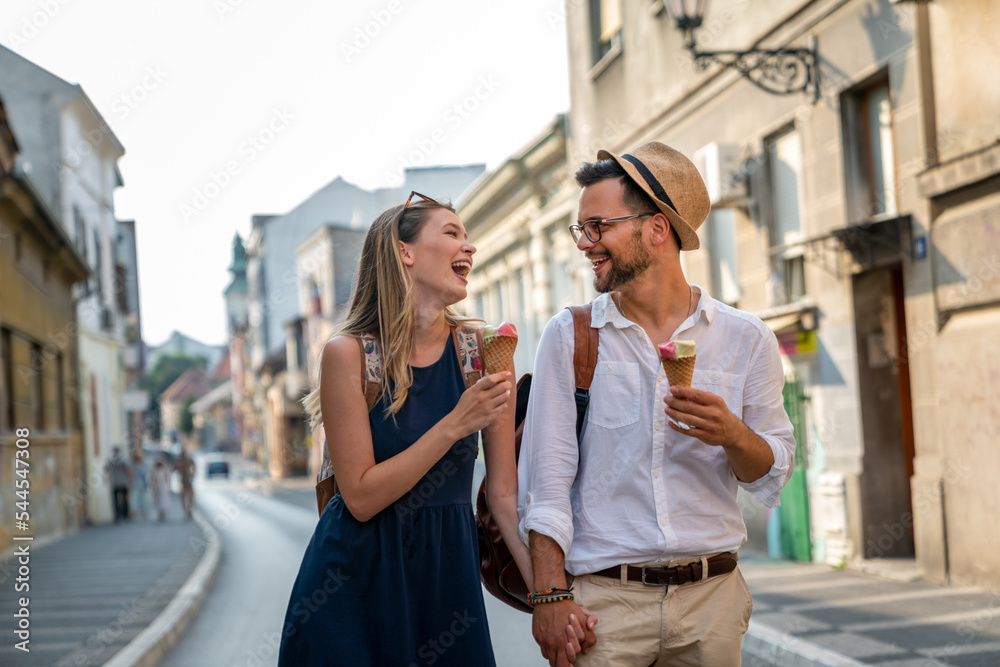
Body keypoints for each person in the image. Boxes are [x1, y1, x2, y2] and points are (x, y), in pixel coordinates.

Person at [518, 142, 796, 666]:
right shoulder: (571, 336)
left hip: (712, 599)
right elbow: (547, 483)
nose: (585, 243)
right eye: (581, 229)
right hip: (605, 606)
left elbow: (770, 476)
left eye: (598, 226)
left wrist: (733, 435)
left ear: (656, 228)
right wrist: (550, 596)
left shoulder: (746, 338)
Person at [277, 191, 531, 666]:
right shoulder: (348, 354)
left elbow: (501, 497)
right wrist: (455, 424)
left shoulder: (481, 352)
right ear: (404, 252)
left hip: (446, 585)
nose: (469, 247)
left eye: (469, 236)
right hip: (353, 591)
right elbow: (360, 495)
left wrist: (550, 599)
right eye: (452, 233)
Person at [104, 446, 132, 523]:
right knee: (124, 500)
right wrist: (130, 480)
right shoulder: (123, 460)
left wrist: (105, 479)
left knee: (116, 500)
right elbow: (128, 471)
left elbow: (106, 470)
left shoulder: (111, 460)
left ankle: (117, 515)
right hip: (123, 482)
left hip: (115, 483)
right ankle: (125, 515)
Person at [173, 449, 196, 519]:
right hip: (183, 482)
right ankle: (186, 510)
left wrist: (192, 474)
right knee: (183, 497)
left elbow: (194, 467)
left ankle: (189, 509)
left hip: (188, 481)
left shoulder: (189, 460)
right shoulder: (179, 462)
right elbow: (174, 469)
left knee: (190, 496)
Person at [149, 457, 171, 522]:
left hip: (162, 487)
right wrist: (153, 486)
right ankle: (160, 513)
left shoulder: (164, 470)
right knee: (158, 501)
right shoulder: (154, 470)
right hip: (157, 487)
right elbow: (152, 479)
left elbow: (167, 479)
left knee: (163, 501)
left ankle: (163, 513)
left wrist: (168, 487)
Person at [131, 449, 149, 519]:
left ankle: (134, 512)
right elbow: (144, 475)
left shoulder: (133, 466)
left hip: (135, 483)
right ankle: (143, 513)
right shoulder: (141, 466)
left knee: (135, 499)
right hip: (140, 483)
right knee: (142, 499)